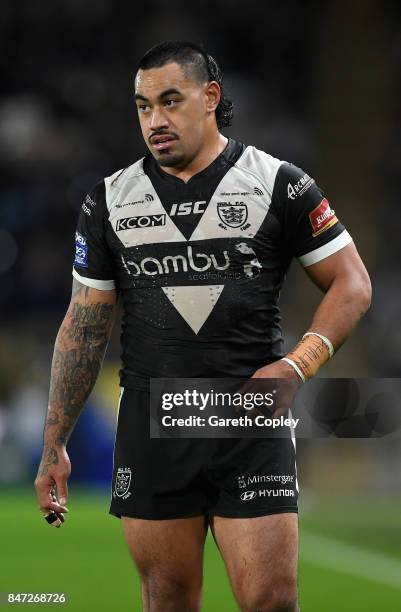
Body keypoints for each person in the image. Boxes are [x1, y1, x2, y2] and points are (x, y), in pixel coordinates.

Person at [35, 41, 371, 612]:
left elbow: (352, 283)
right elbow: (84, 329)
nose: (155, 121)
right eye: (143, 107)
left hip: (249, 420)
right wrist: (53, 445)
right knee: (167, 602)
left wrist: (298, 365)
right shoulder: (108, 201)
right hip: (153, 422)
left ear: (210, 97)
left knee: (271, 600)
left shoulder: (280, 184)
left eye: (170, 101)